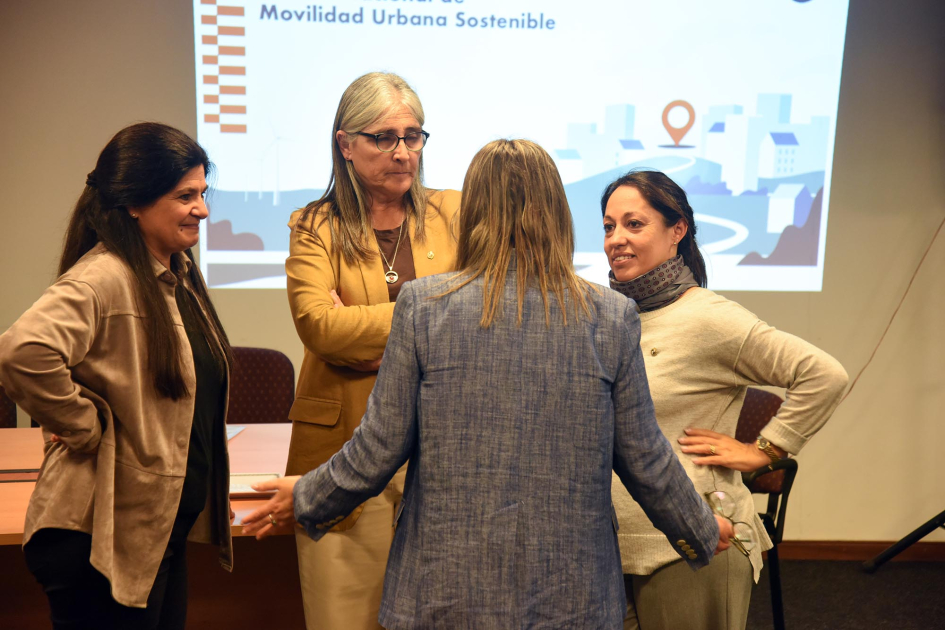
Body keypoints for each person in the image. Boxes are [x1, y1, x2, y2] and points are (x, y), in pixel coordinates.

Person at [244, 139, 732, 629]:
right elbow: (643, 457)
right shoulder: (611, 316)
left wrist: (307, 494)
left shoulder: (423, 306)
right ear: (557, 211)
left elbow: (376, 449)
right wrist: (699, 528)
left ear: (474, 210)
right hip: (573, 597)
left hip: (443, 594)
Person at [0, 122, 233, 630]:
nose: (203, 209)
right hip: (96, 537)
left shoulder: (174, 272)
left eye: (203, 193)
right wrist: (84, 422)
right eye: (185, 196)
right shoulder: (104, 276)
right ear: (134, 203)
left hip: (149, 531)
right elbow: (22, 351)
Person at [600, 170, 849, 630]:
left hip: (695, 543)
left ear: (678, 232)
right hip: (606, 548)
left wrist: (764, 451)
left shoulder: (708, 318)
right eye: (609, 226)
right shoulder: (604, 316)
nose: (617, 239)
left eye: (634, 224)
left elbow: (823, 374)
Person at [277, 72, 461, 630]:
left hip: (441, 457)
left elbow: (483, 313)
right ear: (345, 144)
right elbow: (321, 329)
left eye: (413, 135)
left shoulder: (456, 211)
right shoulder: (314, 226)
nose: (403, 151)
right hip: (341, 451)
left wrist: (372, 333)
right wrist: (427, 323)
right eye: (384, 137)